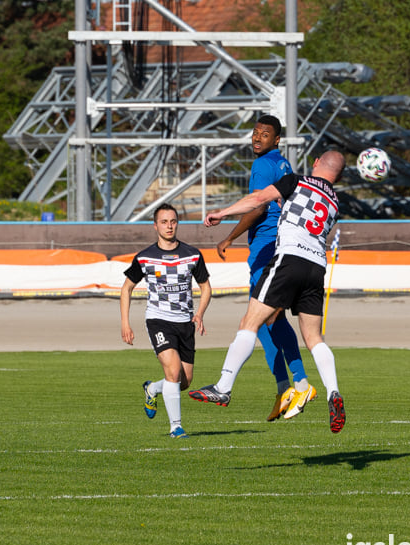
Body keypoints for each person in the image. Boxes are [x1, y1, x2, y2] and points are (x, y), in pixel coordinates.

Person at [188, 151, 347, 433]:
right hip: (316, 268)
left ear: (317, 162)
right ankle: (333, 392)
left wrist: (222, 213)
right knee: (313, 337)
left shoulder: (295, 181)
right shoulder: (335, 202)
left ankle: (223, 387)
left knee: (250, 322)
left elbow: (258, 199)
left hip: (289, 259)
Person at [215, 115, 310, 422]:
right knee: (264, 321)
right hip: (280, 244)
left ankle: (299, 382)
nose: (257, 138)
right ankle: (286, 385)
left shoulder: (262, 166)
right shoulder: (284, 166)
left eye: (264, 134)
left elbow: (258, 207)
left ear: (276, 140)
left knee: (264, 317)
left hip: (266, 248)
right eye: (255, 133)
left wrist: (229, 235)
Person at [120, 203, 212, 438]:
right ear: (155, 226)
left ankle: (152, 389)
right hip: (158, 320)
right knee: (172, 371)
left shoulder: (192, 254)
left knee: (184, 381)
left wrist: (199, 313)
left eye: (173, 221)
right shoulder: (145, 257)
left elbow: (205, 287)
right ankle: (176, 427)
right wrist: (125, 323)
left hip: (185, 322)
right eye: (164, 222)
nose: (169, 226)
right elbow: (126, 289)